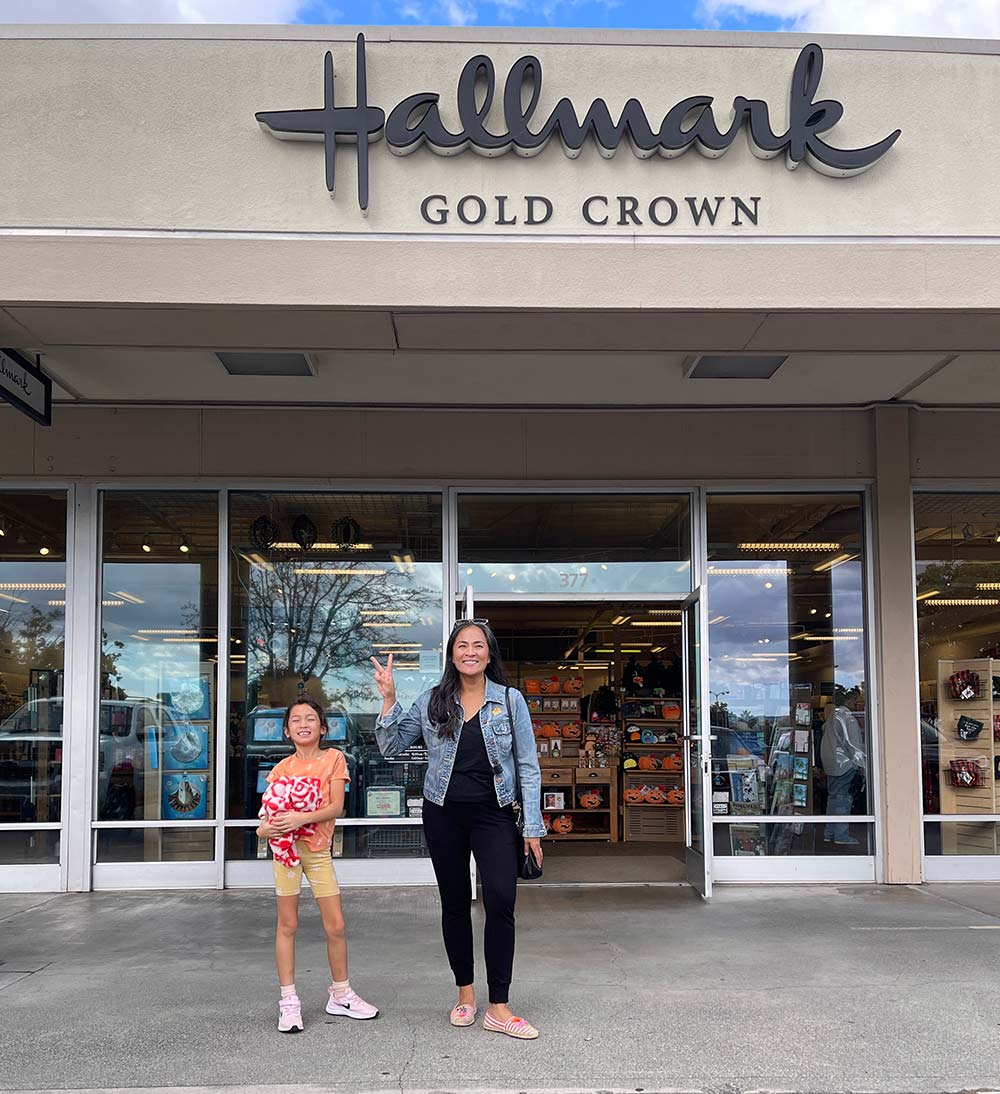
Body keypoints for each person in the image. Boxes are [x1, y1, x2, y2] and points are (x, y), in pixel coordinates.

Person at [371, 619, 544, 1040]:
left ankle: (499, 1006)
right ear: (451, 654)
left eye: (478, 645)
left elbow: (527, 765)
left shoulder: (510, 701)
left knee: (501, 901)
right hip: (443, 814)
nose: (470, 652)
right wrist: (389, 699)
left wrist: (533, 828)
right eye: (462, 645)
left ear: (489, 652)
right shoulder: (433, 701)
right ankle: (465, 994)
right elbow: (392, 746)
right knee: (454, 904)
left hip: (495, 814)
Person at [256, 696, 379, 1033]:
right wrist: (265, 829)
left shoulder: (334, 759)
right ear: (286, 731)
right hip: (286, 853)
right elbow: (266, 820)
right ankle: (288, 1001)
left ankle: (341, 994)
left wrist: (299, 818)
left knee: (336, 925)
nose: (303, 724)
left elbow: (336, 807)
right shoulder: (281, 769)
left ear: (323, 728)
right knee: (287, 924)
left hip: (318, 852)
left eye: (310, 719)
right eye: (295, 720)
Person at [820, 691, 867, 847]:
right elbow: (853, 744)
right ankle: (841, 834)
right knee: (843, 799)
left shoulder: (832, 717)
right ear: (850, 700)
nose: (857, 702)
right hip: (844, 763)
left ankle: (829, 832)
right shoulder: (847, 718)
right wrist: (861, 765)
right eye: (856, 699)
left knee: (833, 797)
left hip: (830, 763)